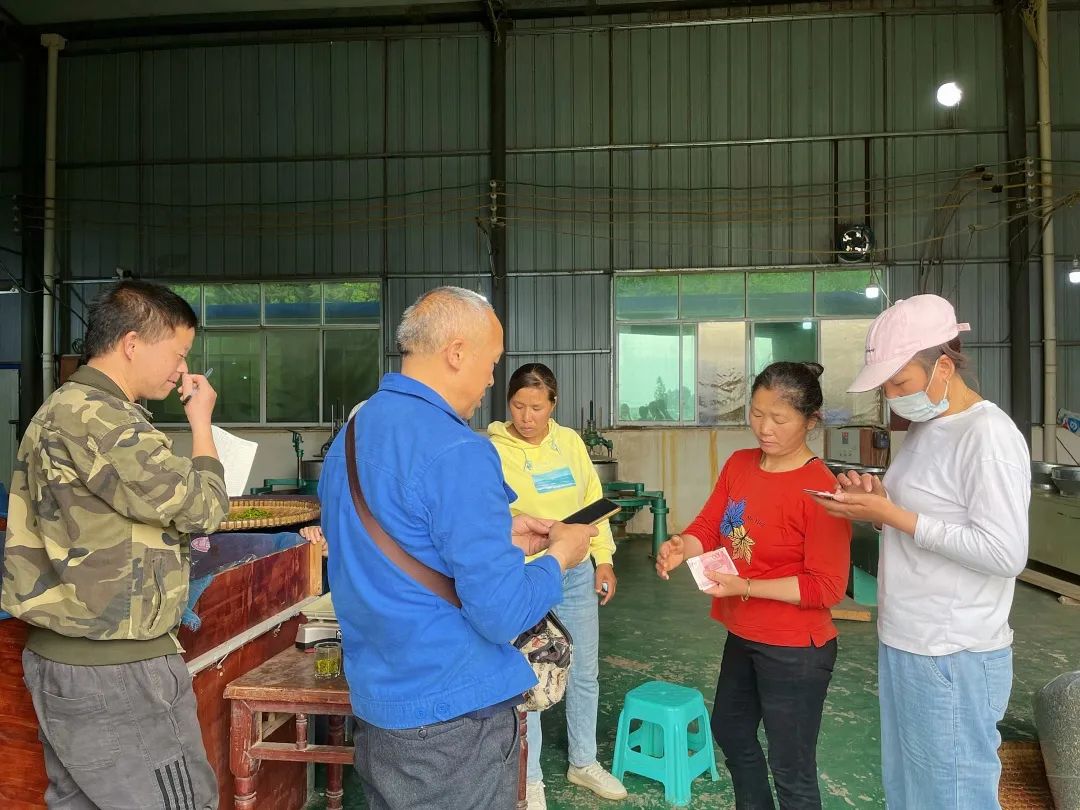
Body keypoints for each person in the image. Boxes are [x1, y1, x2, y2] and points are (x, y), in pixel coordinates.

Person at [318, 287, 597, 810]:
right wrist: (561, 555)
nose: (493, 379)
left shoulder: (354, 434)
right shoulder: (461, 449)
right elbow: (501, 613)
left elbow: (387, 535)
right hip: (452, 718)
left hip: (380, 706)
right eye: (491, 363)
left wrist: (501, 531)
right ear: (456, 352)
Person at [1, 280, 228, 809]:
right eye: (178, 354)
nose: (181, 370)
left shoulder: (60, 409)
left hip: (66, 660)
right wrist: (201, 423)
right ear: (132, 344)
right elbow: (205, 508)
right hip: (117, 669)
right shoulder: (103, 419)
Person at [815, 294, 1030, 809]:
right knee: (911, 790)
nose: (892, 396)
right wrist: (878, 501)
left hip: (953, 649)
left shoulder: (988, 436)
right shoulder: (926, 429)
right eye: (886, 385)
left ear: (944, 366)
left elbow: (1005, 553)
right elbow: (923, 515)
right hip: (908, 638)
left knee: (952, 795)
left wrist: (893, 517)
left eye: (900, 382)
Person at [656, 362, 852, 810]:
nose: (764, 428)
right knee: (730, 728)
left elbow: (825, 587)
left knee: (792, 768)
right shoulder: (740, 464)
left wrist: (744, 585)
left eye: (779, 419)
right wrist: (681, 545)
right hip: (744, 634)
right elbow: (709, 524)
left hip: (796, 649)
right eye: (757, 413)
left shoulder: (820, 491)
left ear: (810, 420)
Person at [488, 363, 628, 809]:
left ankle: (583, 762)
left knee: (584, 670)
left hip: (576, 572)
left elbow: (592, 504)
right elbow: (485, 516)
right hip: (524, 574)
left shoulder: (568, 442)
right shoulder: (491, 448)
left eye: (536, 407)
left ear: (554, 405)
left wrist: (603, 559)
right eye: (517, 406)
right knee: (528, 677)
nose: (526, 417)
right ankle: (529, 781)